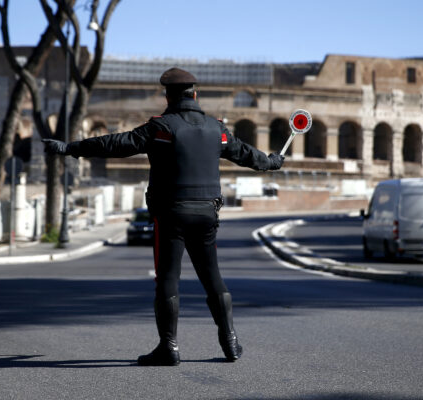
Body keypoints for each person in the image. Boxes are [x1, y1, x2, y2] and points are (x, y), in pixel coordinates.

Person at [42, 67, 284, 366]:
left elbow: (117, 144)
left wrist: (70, 148)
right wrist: (272, 162)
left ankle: (168, 347)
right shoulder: (216, 129)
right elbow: (248, 155)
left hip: (171, 215)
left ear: (168, 96)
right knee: (213, 278)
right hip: (208, 213)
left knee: (168, 279)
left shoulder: (161, 128)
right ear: (195, 95)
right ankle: (230, 342)